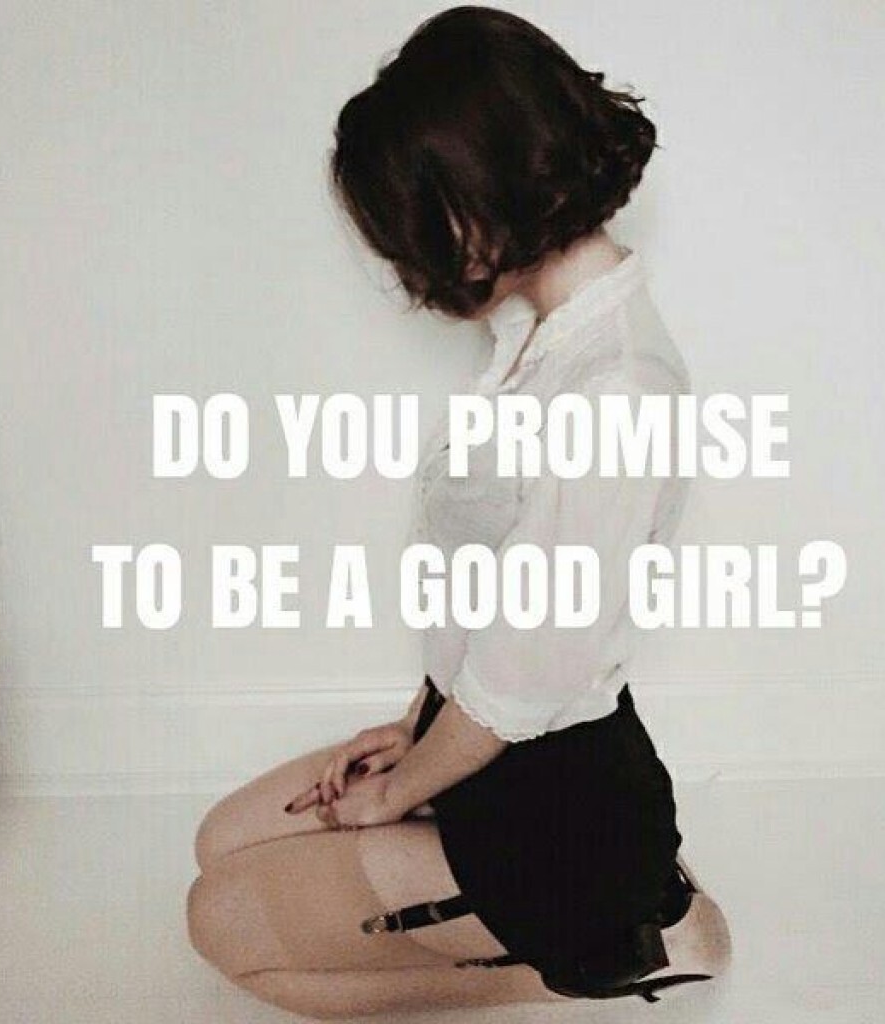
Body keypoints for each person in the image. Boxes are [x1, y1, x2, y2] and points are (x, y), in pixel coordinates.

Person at [186, 6, 731, 1017]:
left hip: (555, 810)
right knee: (219, 841)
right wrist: (417, 726)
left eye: (413, 229)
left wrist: (399, 791)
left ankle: (626, 938)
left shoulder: (616, 387)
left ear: (478, 196)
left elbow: (533, 663)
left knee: (225, 925)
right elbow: (489, 592)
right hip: (478, 736)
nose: (410, 269)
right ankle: (595, 912)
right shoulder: (539, 340)